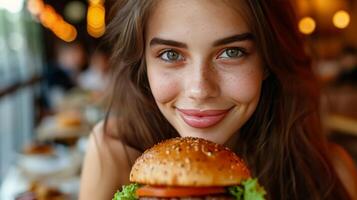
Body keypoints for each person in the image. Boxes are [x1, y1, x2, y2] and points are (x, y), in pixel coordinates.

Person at [79, 1, 357, 199]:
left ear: (268, 62)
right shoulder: (111, 152)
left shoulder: (332, 172)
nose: (199, 89)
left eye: (232, 52)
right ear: (144, 64)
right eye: (171, 55)